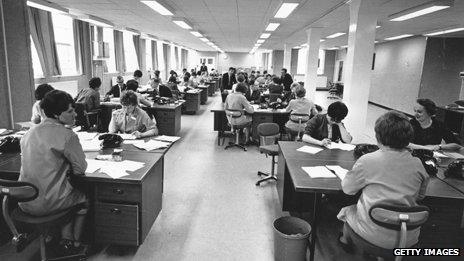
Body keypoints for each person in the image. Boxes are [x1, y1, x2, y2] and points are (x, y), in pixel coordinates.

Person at [337, 111, 429, 250]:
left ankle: (345, 241)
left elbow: (348, 190)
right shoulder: (417, 163)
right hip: (408, 238)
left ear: (377, 136)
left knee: (348, 210)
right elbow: (420, 196)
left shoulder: (368, 160)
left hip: (374, 234)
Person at [19, 90, 88, 254]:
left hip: (24, 201)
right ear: (57, 114)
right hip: (48, 204)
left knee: (58, 190)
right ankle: (73, 242)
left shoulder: (28, 133)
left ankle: (51, 236)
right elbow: (80, 169)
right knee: (83, 197)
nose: (75, 113)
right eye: (70, 111)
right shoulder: (67, 135)